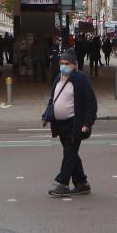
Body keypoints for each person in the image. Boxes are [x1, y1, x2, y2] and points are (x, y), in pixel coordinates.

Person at [45, 49, 97, 197]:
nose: (63, 66)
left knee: (69, 153)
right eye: (61, 63)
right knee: (71, 153)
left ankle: (63, 183)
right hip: (60, 124)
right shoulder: (59, 77)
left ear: (74, 65)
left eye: (66, 63)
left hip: (75, 123)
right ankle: (81, 183)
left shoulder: (81, 79)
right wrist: (49, 113)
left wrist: (87, 123)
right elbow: (53, 98)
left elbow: (91, 103)